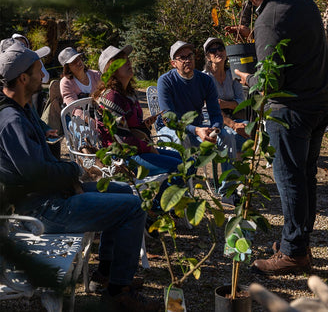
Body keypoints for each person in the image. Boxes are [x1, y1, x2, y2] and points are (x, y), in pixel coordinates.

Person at [0, 41, 161, 311]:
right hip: (41, 211)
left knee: (124, 191)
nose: (44, 75)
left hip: (51, 197)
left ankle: (105, 275)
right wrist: (75, 171)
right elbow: (36, 175)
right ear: (23, 78)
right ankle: (118, 291)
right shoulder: (11, 120)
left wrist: (73, 180)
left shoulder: (23, 109)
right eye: (39, 70)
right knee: (133, 208)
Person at [234, 0, 328, 275]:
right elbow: (293, 44)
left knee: (289, 178)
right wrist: (255, 32)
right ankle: (298, 242)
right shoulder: (302, 0)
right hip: (321, 101)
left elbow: (268, 82)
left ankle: (294, 253)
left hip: (291, 110)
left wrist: (245, 79)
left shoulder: (269, 18)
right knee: (306, 176)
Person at [156, 40, 240, 206]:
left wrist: (215, 129)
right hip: (171, 129)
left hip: (199, 129)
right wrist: (196, 130)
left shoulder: (205, 80)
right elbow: (169, 118)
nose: (187, 60)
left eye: (190, 56)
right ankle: (184, 193)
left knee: (228, 136)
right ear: (173, 63)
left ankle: (228, 191)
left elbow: (215, 112)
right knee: (181, 141)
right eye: (182, 58)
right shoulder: (165, 81)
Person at [94, 45, 183, 177]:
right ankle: (161, 198)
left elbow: (130, 128)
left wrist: (143, 125)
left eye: (128, 59)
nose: (129, 62)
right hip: (121, 158)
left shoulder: (127, 93)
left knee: (189, 161)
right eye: (122, 61)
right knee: (181, 166)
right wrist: (150, 149)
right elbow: (122, 139)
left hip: (136, 151)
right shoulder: (111, 97)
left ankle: (161, 196)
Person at [203, 37, 248, 157]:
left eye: (220, 48)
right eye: (213, 51)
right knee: (228, 133)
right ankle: (231, 171)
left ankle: (238, 166)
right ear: (208, 57)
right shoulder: (204, 78)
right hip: (210, 120)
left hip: (233, 115)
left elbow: (241, 101)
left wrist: (224, 104)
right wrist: (233, 124)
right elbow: (210, 108)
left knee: (247, 127)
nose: (218, 52)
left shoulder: (232, 73)